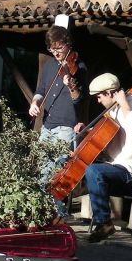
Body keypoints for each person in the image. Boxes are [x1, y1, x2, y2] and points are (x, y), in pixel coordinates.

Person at [84, 73, 132, 243]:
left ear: (110, 93)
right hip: (111, 164)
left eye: (99, 96)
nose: (98, 101)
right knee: (73, 163)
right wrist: (87, 132)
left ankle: (104, 223)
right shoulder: (112, 111)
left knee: (93, 171)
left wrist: (125, 105)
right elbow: (106, 139)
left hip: (128, 169)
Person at [29, 26, 88, 216]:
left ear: (68, 44)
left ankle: (56, 215)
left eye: (59, 48)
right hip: (47, 125)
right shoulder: (49, 66)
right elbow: (40, 90)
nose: (55, 52)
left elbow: (78, 98)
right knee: (41, 170)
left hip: (65, 127)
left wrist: (71, 85)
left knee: (56, 173)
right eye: (51, 49)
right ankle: (44, 213)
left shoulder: (79, 67)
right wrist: (34, 102)